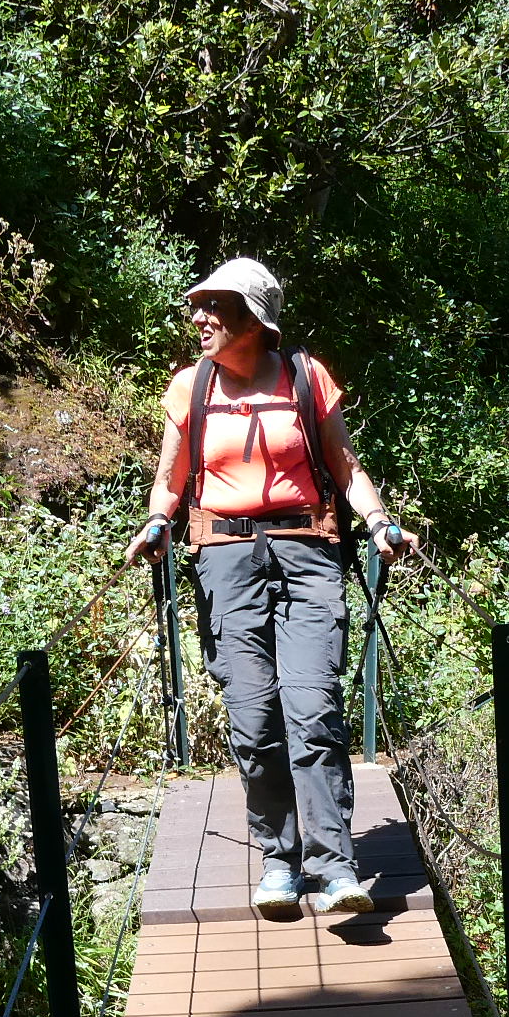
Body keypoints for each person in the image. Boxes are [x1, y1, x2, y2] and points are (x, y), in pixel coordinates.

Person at [123, 256, 411, 918]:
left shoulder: (305, 377)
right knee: (254, 721)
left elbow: (345, 466)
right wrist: (157, 523)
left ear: (254, 319)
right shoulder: (190, 387)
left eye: (214, 307)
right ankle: (280, 861)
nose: (199, 318)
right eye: (197, 306)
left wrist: (379, 522)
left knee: (313, 710)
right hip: (225, 561)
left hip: (307, 553)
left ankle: (335, 868)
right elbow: (170, 480)